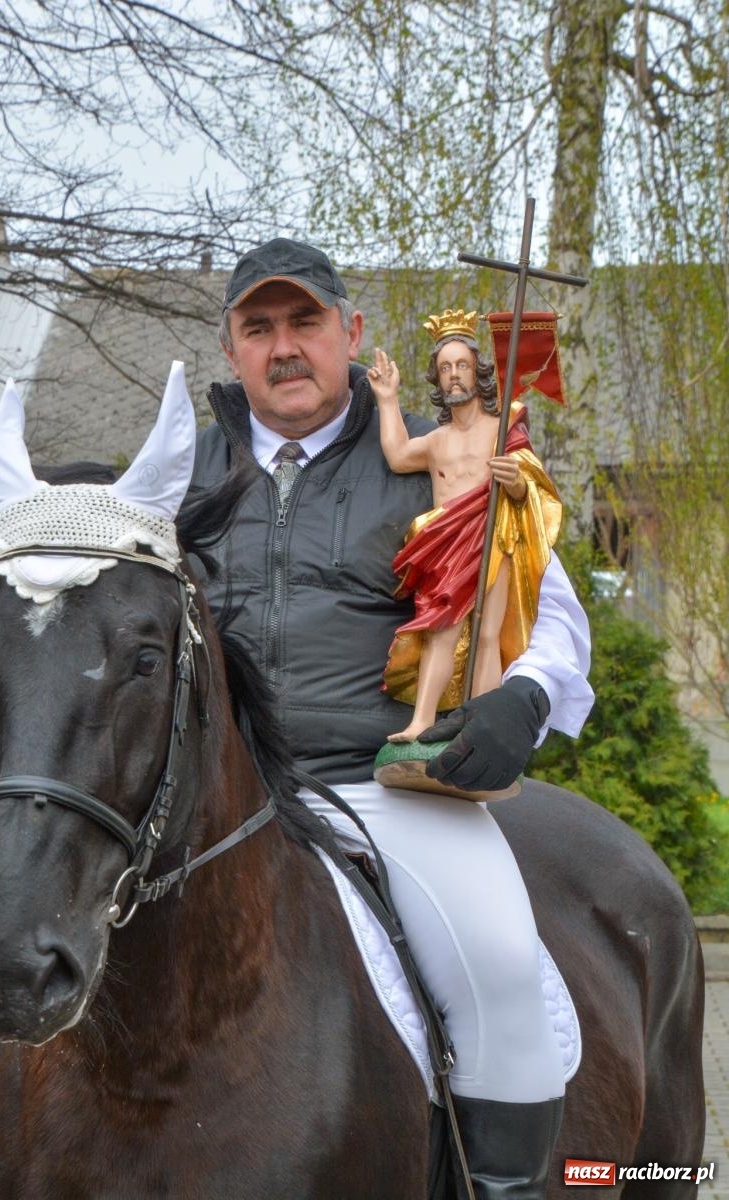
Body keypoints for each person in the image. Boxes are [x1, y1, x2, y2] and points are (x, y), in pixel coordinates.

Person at [194, 237, 594, 1199]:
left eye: (305, 323)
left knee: (500, 967)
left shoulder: (451, 459)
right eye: (260, 329)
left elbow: (554, 617)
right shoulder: (181, 474)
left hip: (386, 784)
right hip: (213, 803)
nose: (285, 348)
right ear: (232, 349)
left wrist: (524, 696)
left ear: (353, 334)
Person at [367, 317, 562, 743]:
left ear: (479, 372)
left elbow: (532, 486)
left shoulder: (502, 429)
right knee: (440, 630)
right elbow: (399, 455)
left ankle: (480, 724)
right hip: (446, 546)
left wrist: (512, 479)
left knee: (489, 634)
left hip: (494, 539)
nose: (454, 376)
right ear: (437, 378)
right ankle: (422, 722)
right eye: (445, 368)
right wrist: (387, 399)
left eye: (462, 366)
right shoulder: (437, 440)